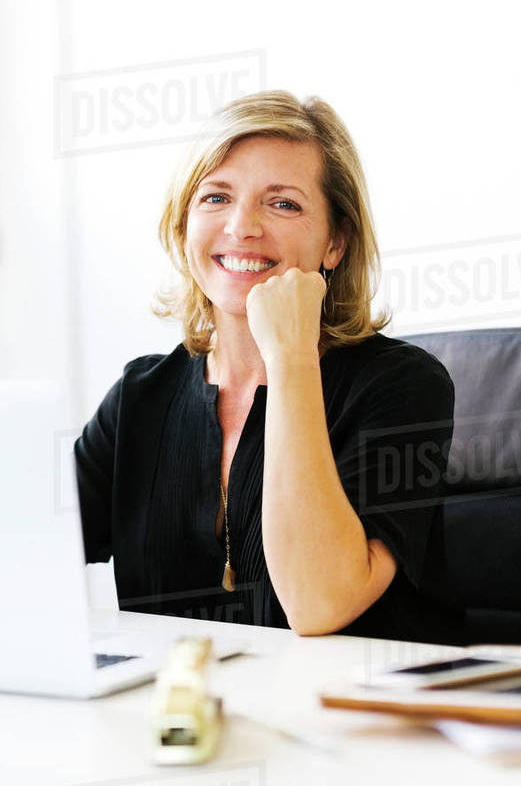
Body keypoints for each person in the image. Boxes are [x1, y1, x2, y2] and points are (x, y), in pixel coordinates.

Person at [74, 90, 465, 644]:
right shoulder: (140, 396)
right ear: (184, 224)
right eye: (216, 197)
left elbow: (318, 604)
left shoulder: (403, 387)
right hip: (185, 698)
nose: (242, 227)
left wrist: (289, 356)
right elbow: (15, 550)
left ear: (335, 243)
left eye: (282, 204)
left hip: (349, 699)